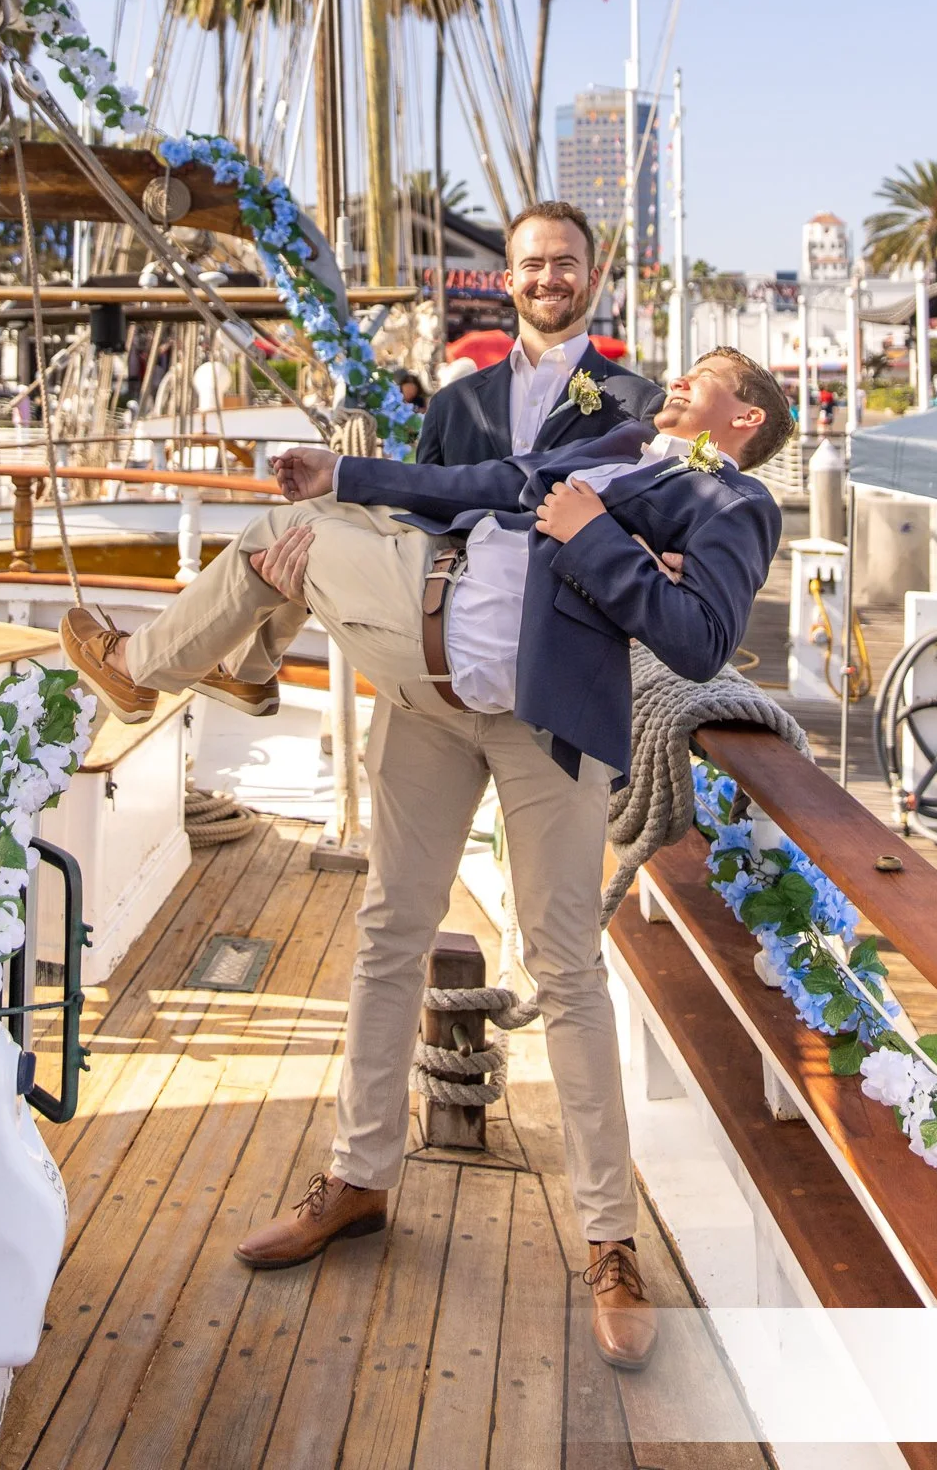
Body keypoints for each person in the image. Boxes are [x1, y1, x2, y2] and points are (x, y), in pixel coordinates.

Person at [60, 347, 791, 1371]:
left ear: (744, 418)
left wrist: (593, 536)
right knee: (387, 935)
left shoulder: (732, 502)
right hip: (424, 701)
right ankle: (356, 1180)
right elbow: (484, 484)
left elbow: (700, 638)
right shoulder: (617, 443)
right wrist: (346, 475)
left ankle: (610, 1245)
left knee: (565, 970)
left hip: (545, 727)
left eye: (706, 376)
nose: (679, 380)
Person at [418, 203, 662, 465]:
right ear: (510, 281)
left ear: (592, 280)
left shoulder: (643, 405)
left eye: (565, 263)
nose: (548, 278)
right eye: (532, 265)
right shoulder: (449, 407)